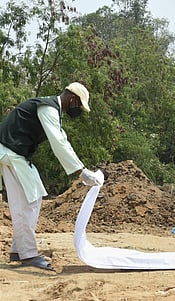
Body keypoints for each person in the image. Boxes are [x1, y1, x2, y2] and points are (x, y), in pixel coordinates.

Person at [0, 82, 103, 271]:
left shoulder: (50, 109)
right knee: (25, 203)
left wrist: (82, 169)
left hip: (16, 153)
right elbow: (59, 143)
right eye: (79, 105)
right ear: (72, 99)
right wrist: (82, 172)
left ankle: (18, 250)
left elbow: (62, 139)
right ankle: (28, 254)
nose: (78, 110)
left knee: (35, 196)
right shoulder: (48, 108)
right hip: (10, 152)